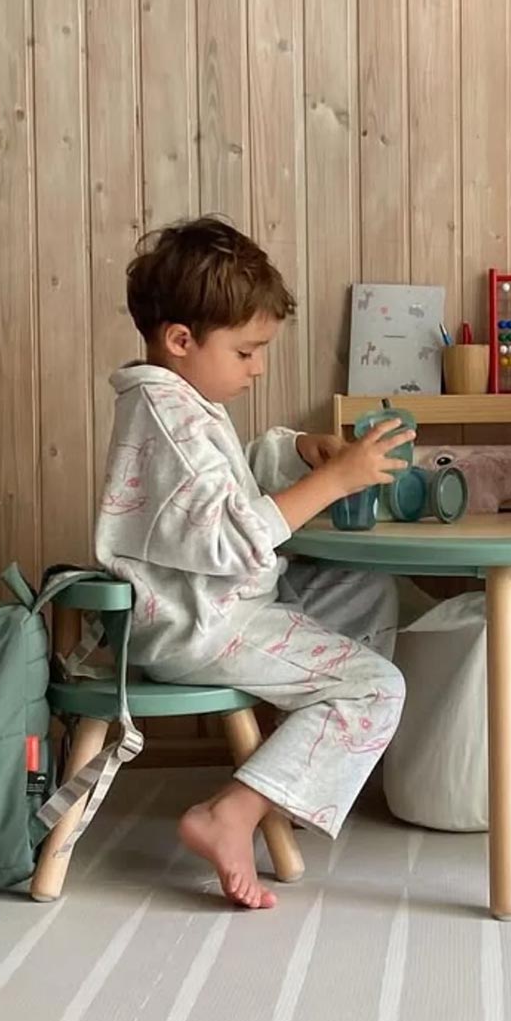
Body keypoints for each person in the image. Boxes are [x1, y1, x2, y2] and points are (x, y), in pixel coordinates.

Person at [96, 216, 414, 908]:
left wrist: (298, 453)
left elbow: (226, 479)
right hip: (204, 625)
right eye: (246, 352)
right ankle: (233, 811)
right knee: (376, 688)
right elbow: (231, 535)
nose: (259, 367)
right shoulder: (170, 419)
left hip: (215, 609)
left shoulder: (175, 404)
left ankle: (298, 757)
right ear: (181, 341)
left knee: (364, 588)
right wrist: (330, 484)